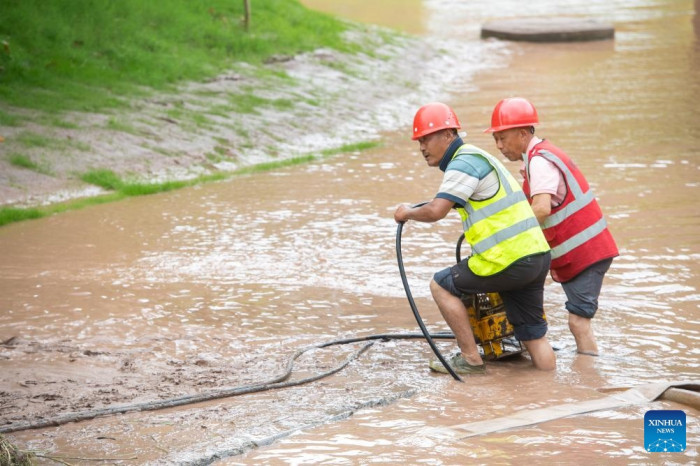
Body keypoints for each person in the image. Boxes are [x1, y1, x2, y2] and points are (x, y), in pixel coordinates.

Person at [394, 102, 556, 373]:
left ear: (448, 135)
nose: (422, 147)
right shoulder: (479, 157)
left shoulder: (463, 162)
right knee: (534, 336)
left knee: (441, 285)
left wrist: (406, 212)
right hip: (537, 255)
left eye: (426, 138)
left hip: (507, 260)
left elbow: (436, 211)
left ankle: (470, 359)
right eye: (419, 141)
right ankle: (552, 392)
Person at [485, 97, 619, 356]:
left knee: (578, 323)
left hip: (586, 254)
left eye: (502, 138)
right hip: (584, 253)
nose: (499, 146)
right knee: (577, 320)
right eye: (496, 140)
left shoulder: (539, 162)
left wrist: (508, 236)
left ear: (523, 134)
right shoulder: (539, 156)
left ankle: (589, 380)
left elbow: (542, 209)